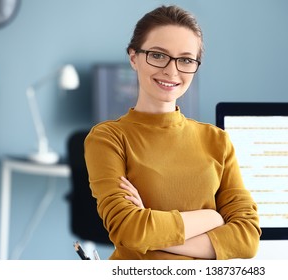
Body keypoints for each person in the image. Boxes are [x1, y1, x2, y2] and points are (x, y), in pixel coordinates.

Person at [84, 5, 261, 260]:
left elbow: (246, 239)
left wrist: (153, 233)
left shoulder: (217, 141)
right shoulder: (108, 138)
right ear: (133, 57)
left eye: (186, 60)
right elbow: (128, 230)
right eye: (158, 55)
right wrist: (211, 218)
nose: (172, 70)